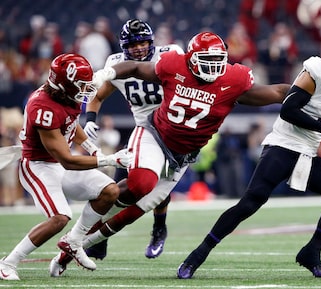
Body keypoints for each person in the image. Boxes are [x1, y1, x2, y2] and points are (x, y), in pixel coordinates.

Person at [49, 31, 290, 275]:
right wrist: (105, 74)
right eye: (207, 61)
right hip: (155, 134)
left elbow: (278, 93)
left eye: (219, 61)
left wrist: (308, 93)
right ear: (192, 58)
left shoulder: (234, 79)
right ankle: (79, 231)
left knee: (132, 212)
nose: (214, 68)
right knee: (141, 184)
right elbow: (133, 67)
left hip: (183, 156)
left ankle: (71, 248)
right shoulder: (175, 63)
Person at [177, 37, 321, 279]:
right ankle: (198, 255)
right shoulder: (318, 71)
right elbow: (288, 110)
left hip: (308, 153)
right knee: (250, 203)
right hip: (283, 145)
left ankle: (311, 252)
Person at [0, 53, 132, 281]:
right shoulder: (43, 106)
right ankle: (7, 263)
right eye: (80, 85)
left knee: (110, 191)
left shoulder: (65, 94)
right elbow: (67, 160)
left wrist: (91, 147)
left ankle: (74, 241)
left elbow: (70, 124)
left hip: (57, 163)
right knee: (60, 217)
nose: (85, 89)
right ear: (63, 85)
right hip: (37, 165)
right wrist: (110, 159)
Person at [80, 19, 184, 261]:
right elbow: (98, 95)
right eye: (133, 44)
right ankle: (100, 238)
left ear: (152, 41)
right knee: (120, 186)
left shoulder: (170, 55)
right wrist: (91, 119)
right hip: (143, 130)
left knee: (157, 182)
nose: (138, 48)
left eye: (143, 42)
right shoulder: (116, 64)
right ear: (123, 46)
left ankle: (159, 227)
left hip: (172, 129)